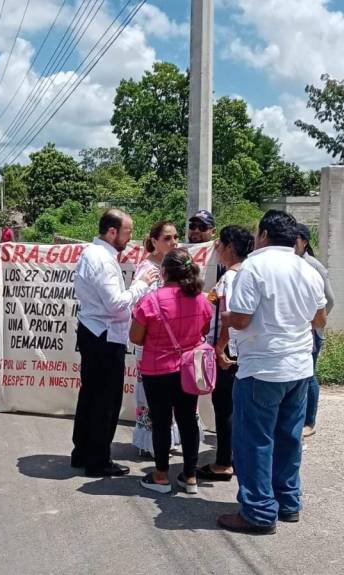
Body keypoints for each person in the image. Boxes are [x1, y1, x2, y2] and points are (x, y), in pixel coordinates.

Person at [217, 210, 327, 535]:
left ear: (264, 234)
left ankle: (258, 511)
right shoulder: (307, 268)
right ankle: (288, 502)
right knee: (289, 438)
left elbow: (241, 319)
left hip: (262, 368)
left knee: (254, 441)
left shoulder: (254, 267)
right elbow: (319, 319)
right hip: (299, 368)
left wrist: (226, 318)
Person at [71, 209, 158, 478]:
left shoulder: (93, 253)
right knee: (105, 400)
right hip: (105, 336)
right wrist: (141, 285)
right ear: (112, 232)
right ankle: (98, 460)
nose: (130, 238)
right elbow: (116, 304)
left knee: (90, 396)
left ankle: (83, 451)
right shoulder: (102, 259)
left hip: (95, 331)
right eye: (127, 232)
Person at [129, 248, 213, 494]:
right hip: (189, 370)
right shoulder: (201, 299)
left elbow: (135, 337)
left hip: (157, 371)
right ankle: (190, 477)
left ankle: (161, 476)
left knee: (161, 422)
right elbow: (204, 329)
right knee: (188, 421)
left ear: (163, 272)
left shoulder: (151, 300)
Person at [197, 225, 254, 482]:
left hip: (228, 351)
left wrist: (220, 348)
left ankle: (224, 462)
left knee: (224, 407)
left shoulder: (232, 277)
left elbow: (229, 317)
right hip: (238, 349)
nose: (217, 248)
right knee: (231, 406)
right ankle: (234, 457)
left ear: (230, 247)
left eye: (219, 244)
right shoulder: (243, 273)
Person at [132, 221, 180, 457]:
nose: (174, 242)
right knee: (153, 396)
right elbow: (139, 306)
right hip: (153, 342)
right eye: (167, 238)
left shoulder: (174, 266)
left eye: (176, 237)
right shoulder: (148, 269)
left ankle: (167, 440)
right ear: (154, 241)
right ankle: (153, 444)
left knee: (174, 395)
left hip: (174, 343)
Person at [295, 224, 334, 438]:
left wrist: (313, 323)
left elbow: (330, 300)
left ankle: (309, 421)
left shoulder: (313, 266)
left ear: (305, 242)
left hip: (311, 332)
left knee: (309, 375)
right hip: (297, 331)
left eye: (296, 238)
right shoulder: (290, 263)